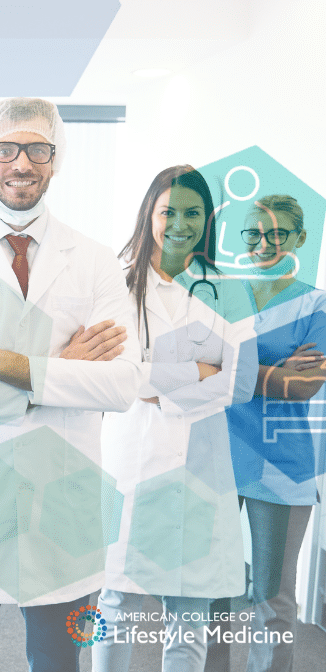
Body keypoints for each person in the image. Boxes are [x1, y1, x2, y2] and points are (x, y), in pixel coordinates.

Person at [0, 97, 143, 672]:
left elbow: (122, 385)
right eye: (6, 149)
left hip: (65, 498)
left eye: (37, 149)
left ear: (55, 161)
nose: (21, 162)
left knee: (58, 663)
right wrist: (63, 367)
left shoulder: (98, 262)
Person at [92, 166, 257, 672]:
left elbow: (241, 382)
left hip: (200, 469)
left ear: (208, 220)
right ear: (150, 214)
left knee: (189, 613)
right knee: (117, 604)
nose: (180, 223)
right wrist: (197, 372)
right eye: (169, 211)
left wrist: (157, 381)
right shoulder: (117, 283)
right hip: (129, 462)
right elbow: (117, 376)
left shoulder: (226, 289)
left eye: (192, 212)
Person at [205, 195, 326, 672]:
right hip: (214, 456)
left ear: (298, 239)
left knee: (272, 596)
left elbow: (304, 386)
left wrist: (226, 370)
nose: (265, 243)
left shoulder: (317, 303)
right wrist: (273, 371)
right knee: (210, 587)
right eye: (254, 233)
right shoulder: (217, 295)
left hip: (281, 463)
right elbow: (188, 370)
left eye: (278, 234)